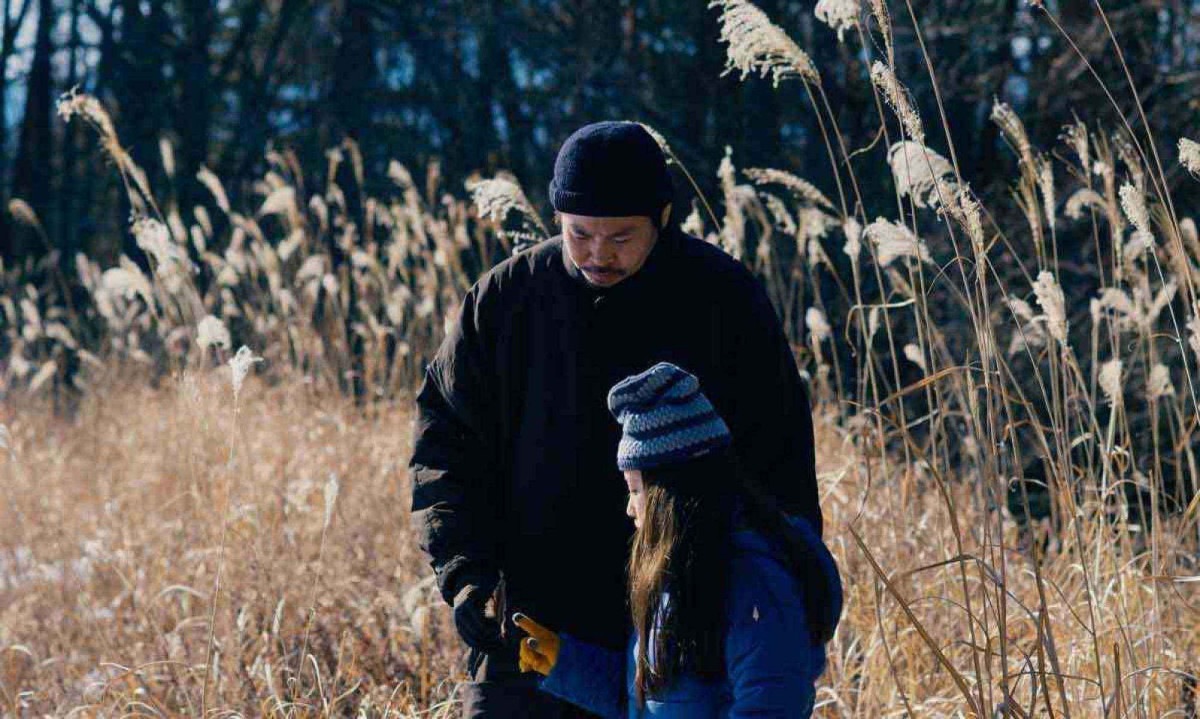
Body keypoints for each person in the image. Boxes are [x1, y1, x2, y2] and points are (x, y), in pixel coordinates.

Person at [409, 121, 823, 718]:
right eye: (579, 234)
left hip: (679, 626)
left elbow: (780, 463)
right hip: (528, 627)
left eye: (622, 237)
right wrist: (467, 577)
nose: (599, 254)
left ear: (662, 217)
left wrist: (777, 592)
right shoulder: (505, 300)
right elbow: (442, 450)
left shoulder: (723, 301)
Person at [513, 362, 841, 717]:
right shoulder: (680, 578)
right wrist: (567, 665)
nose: (629, 508)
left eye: (635, 489)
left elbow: (773, 706)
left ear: (668, 496)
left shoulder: (755, 583)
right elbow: (649, 705)